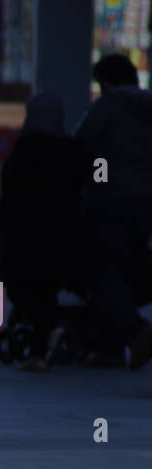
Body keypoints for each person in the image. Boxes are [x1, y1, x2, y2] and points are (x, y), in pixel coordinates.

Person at [0, 92, 90, 371]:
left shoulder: (25, 149)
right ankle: (44, 341)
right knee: (46, 289)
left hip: (25, 238)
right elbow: (88, 186)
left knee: (24, 290)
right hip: (64, 236)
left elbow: (11, 197)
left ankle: (40, 348)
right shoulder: (74, 150)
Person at [72, 53, 152, 370]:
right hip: (145, 204)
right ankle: (111, 347)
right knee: (127, 269)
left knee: (100, 270)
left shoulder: (107, 108)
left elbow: (81, 148)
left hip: (109, 201)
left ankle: (135, 331)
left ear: (104, 81)